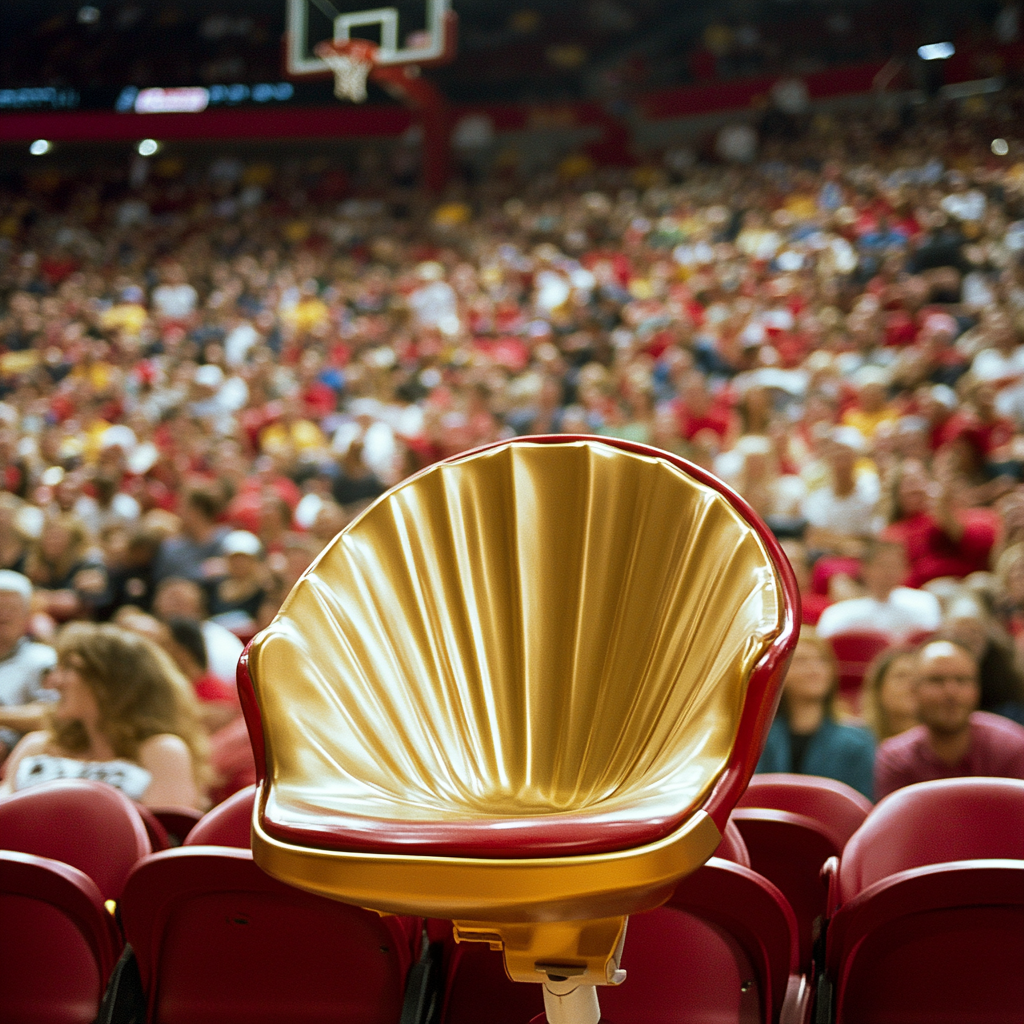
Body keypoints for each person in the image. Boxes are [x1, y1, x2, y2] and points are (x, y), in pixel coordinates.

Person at [0, 622, 209, 809]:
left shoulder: (161, 750)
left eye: (69, 668)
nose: (54, 681)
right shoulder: (37, 745)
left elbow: (164, 835)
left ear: (113, 681)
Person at [874, 639, 1024, 799]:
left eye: (962, 680)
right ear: (914, 690)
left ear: (977, 689)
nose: (951, 692)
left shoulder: (1012, 747)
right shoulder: (896, 759)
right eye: (937, 680)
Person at [755, 627, 876, 799]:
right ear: (780, 671)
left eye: (822, 661)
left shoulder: (857, 741)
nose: (814, 670)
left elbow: (862, 804)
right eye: (801, 661)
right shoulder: (758, 737)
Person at [815, 539, 941, 643]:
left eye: (894, 565)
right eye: (882, 565)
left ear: (905, 570)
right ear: (865, 569)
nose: (888, 572)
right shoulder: (838, 613)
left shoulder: (924, 602)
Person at [0, 571, 58, 762]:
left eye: (10, 608)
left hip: (17, 752)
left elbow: (51, 715)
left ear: (27, 617)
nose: (3, 615)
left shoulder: (43, 659)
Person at [862, 646, 919, 741]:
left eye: (918, 678)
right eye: (901, 676)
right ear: (879, 687)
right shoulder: (858, 740)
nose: (912, 685)